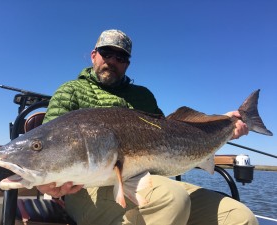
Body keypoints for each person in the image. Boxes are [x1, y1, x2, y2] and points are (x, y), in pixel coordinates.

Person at [37, 29, 258, 225]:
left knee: (240, 217)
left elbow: (173, 132)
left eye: (121, 56)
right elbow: (48, 144)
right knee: (172, 199)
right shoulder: (71, 90)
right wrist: (45, 181)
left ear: (127, 63)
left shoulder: (143, 96)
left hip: (152, 182)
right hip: (88, 190)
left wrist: (222, 123)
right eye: (107, 53)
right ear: (94, 55)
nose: (113, 60)